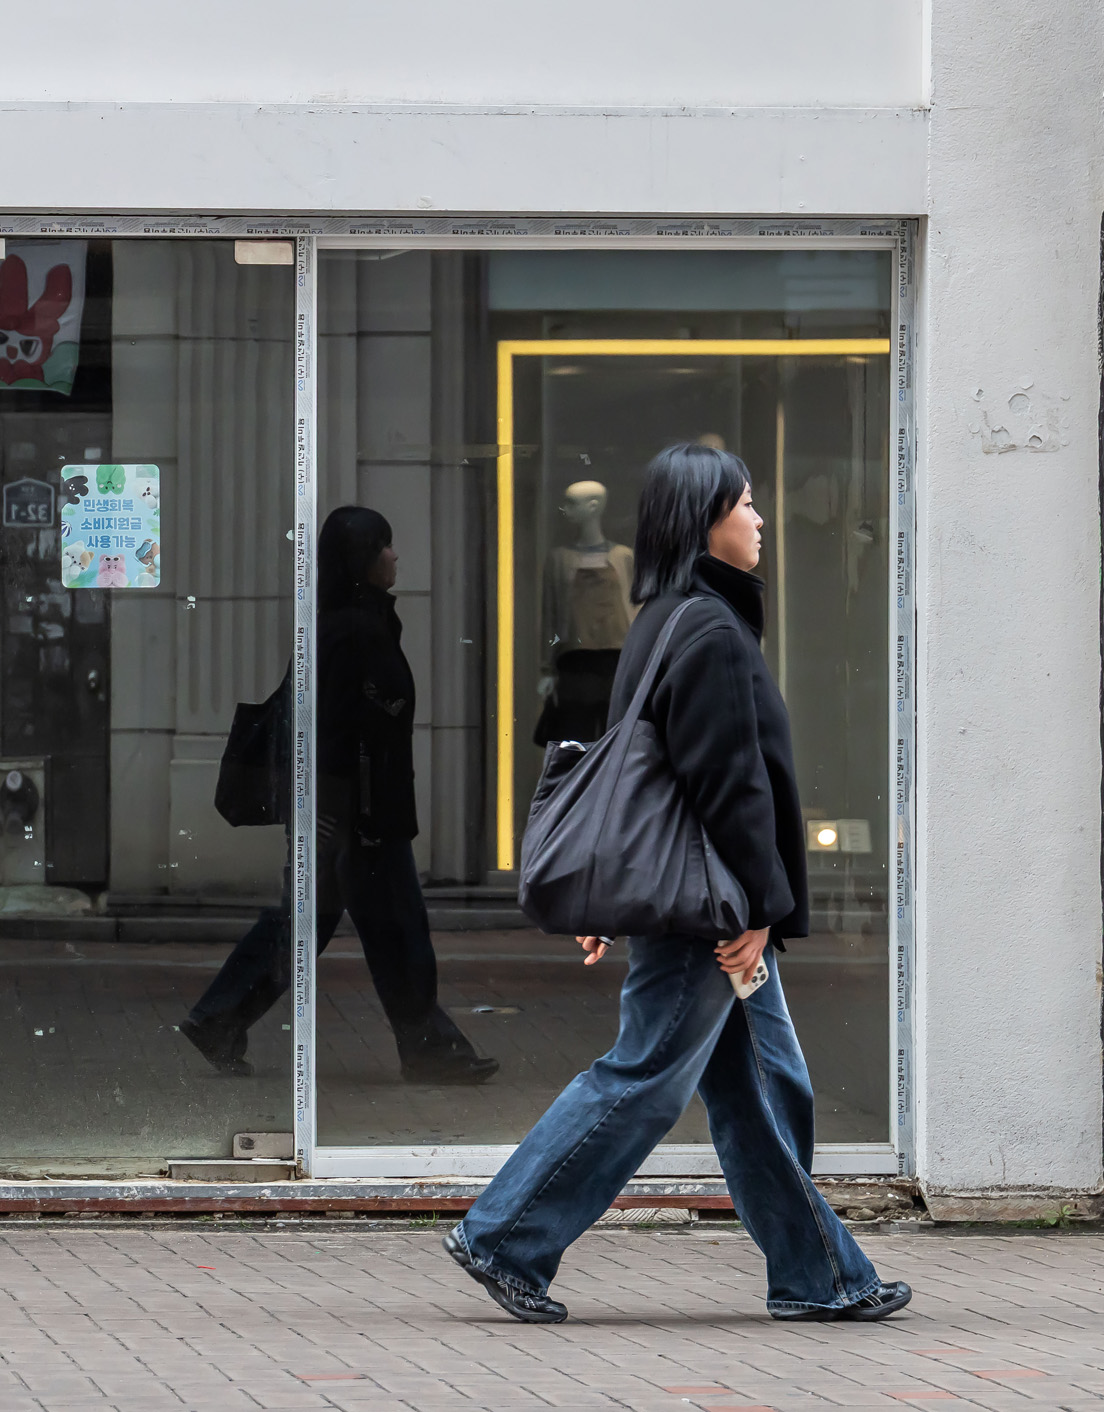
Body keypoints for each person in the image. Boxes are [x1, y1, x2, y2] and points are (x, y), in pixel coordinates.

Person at [445, 443, 910, 1324]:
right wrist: (760, 909)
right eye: (745, 504)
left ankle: (820, 1277)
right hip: (716, 908)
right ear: (706, 521)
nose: (761, 518)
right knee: (647, 1073)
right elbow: (727, 785)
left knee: (763, 1085)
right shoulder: (706, 628)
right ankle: (504, 1235)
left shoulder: (665, 616)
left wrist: (616, 896)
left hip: (702, 897)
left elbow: (644, 775)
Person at [182, 506, 497, 1085]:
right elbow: (332, 730)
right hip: (356, 816)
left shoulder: (348, 621)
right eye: (386, 546)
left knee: (314, 925)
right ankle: (428, 1047)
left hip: (351, 813)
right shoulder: (352, 629)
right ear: (362, 558)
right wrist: (328, 815)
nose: (396, 557)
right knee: (390, 931)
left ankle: (218, 1017)